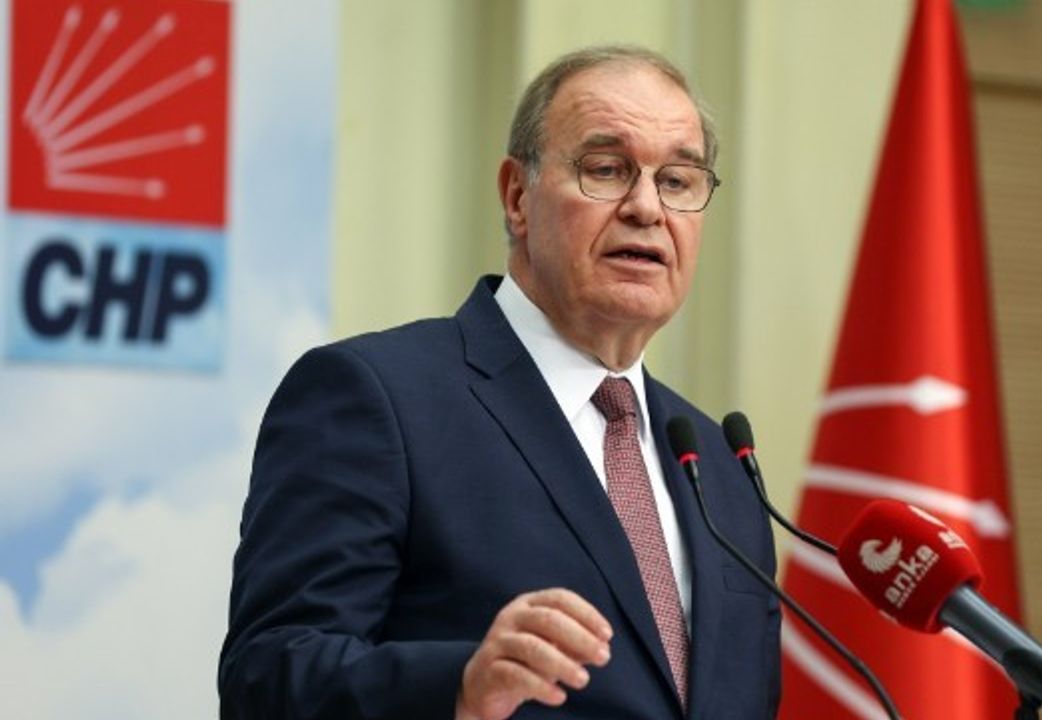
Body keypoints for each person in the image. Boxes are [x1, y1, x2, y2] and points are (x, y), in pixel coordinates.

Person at [218, 45, 781, 720]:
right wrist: (458, 686)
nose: (646, 207)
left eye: (679, 181)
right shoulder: (377, 398)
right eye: (606, 170)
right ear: (517, 197)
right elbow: (268, 677)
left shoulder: (718, 468)